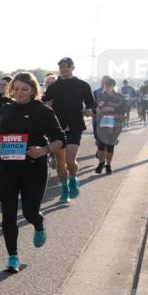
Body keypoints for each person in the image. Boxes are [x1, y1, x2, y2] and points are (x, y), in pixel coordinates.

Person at [0, 73, 65, 273]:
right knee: (8, 212)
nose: (19, 93)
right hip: (7, 167)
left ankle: (38, 222)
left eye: (24, 89)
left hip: (34, 167)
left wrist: (44, 150)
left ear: (33, 90)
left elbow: (60, 139)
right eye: (16, 89)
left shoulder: (42, 110)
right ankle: (13, 256)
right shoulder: (6, 109)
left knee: (29, 211)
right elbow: (0, 137)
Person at [42, 57, 94, 203]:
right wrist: (46, 103)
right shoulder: (53, 87)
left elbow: (90, 103)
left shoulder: (83, 85)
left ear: (73, 68)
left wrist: (89, 109)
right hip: (57, 128)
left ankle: (73, 179)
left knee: (70, 161)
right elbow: (43, 102)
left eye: (66, 66)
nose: (64, 69)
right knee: (60, 162)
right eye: (61, 67)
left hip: (75, 126)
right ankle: (64, 189)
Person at [94, 77, 127, 174]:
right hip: (102, 124)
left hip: (115, 124)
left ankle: (108, 165)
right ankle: (101, 162)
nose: (108, 87)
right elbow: (96, 108)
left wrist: (111, 110)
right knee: (100, 145)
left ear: (113, 86)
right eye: (106, 85)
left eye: (110, 85)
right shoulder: (100, 96)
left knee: (110, 146)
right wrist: (98, 110)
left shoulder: (120, 98)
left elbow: (122, 113)